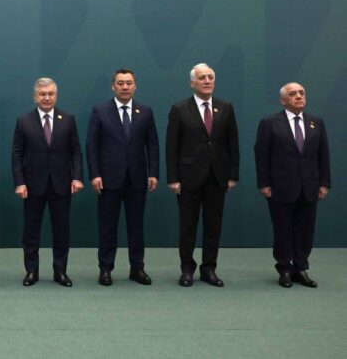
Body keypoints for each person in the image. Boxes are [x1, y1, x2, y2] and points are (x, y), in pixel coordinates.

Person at [166, 63, 239, 287]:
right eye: (202, 78)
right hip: (188, 178)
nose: (207, 81)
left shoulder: (226, 107)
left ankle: (209, 269)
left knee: (213, 226)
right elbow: (171, 146)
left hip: (217, 177)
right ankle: (187, 269)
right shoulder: (179, 109)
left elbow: (232, 143)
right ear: (192, 83)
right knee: (188, 226)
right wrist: (173, 178)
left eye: (210, 77)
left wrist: (232, 175)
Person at [86, 69, 159, 286]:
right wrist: (95, 174)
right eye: (120, 83)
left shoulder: (145, 111)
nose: (125, 87)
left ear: (135, 86)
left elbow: (152, 145)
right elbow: (91, 145)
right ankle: (105, 268)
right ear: (113, 86)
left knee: (136, 226)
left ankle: (137, 268)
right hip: (108, 180)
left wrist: (153, 172)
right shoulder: (100, 111)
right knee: (107, 226)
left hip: (137, 179)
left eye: (128, 83)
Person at [254, 82, 330, 288]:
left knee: (305, 230)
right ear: (283, 100)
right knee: (283, 230)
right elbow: (261, 155)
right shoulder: (270, 123)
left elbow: (323, 154)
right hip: (280, 186)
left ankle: (301, 268)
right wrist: (264, 183)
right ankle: (284, 269)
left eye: (302, 93)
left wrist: (324, 183)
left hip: (310, 187)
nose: (298, 96)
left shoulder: (316, 122)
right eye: (293, 94)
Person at [12, 78, 83, 287]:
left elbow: (75, 151)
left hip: (62, 184)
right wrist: (20, 182)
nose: (47, 98)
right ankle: (31, 271)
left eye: (51, 94)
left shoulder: (68, 119)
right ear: (35, 97)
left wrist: (77, 177)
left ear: (56, 96)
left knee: (61, 231)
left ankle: (60, 271)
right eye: (42, 94)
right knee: (31, 231)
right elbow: (17, 154)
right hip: (32, 185)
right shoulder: (24, 120)